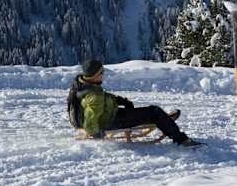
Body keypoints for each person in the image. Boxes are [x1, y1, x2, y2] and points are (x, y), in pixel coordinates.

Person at [69, 59, 203, 147]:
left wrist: (119, 100)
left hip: (108, 113)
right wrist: (98, 134)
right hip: (110, 121)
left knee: (144, 112)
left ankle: (163, 120)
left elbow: (102, 97)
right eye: (101, 72)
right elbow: (90, 120)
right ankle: (182, 140)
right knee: (154, 111)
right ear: (95, 75)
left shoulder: (83, 85)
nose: (103, 74)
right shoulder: (94, 96)